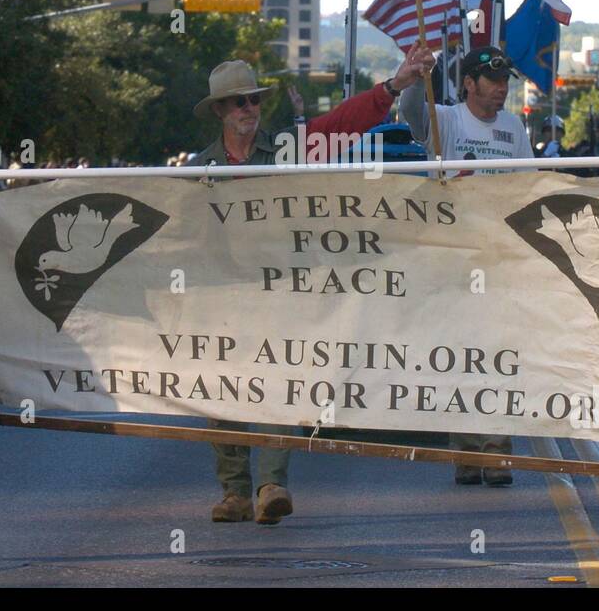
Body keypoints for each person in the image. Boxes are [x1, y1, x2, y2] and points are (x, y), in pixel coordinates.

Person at [188, 46, 429, 525]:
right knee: (220, 388)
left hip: (282, 290)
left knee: (280, 383)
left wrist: (394, 86)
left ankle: (271, 484)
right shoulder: (202, 167)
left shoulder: (287, 149)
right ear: (219, 111)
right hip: (224, 294)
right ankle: (234, 491)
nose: (249, 110)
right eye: (238, 103)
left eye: (254, 101)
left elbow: (342, 124)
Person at [401, 45, 533, 487]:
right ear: (469, 84)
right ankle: (466, 453)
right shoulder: (448, 120)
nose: (501, 90)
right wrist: (420, 73)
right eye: (492, 81)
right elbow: (411, 109)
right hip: (454, 259)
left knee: (499, 357)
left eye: (505, 83)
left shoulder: (514, 128)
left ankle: (497, 452)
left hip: (501, 257)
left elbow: (530, 186)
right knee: (461, 357)